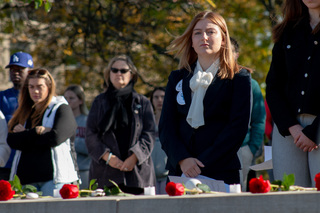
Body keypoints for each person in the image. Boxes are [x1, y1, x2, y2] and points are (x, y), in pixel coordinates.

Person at [159, 11, 251, 185]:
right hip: (180, 170)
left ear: (223, 39)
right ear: (192, 41)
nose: (204, 37)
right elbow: (166, 126)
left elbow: (237, 128)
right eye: (198, 33)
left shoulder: (239, 78)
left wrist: (200, 164)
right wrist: (183, 159)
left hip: (220, 170)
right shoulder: (177, 78)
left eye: (211, 32)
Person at [266, 0, 320, 187]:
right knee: (289, 198)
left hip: (318, 126)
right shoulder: (286, 31)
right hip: (288, 131)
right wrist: (292, 127)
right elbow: (273, 85)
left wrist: (313, 131)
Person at [86, 55, 156, 195]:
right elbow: (91, 134)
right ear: (109, 74)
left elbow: (150, 133)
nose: (119, 73)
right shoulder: (99, 102)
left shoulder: (142, 102)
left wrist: (134, 157)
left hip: (137, 174)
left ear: (132, 74)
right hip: (105, 174)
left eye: (123, 70)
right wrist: (108, 157)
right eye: (115, 70)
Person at [7, 68, 79, 196]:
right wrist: (36, 131)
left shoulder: (61, 108)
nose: (35, 91)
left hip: (54, 180)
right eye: (31, 87)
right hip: (26, 181)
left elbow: (55, 138)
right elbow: (12, 140)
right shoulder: (24, 111)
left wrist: (25, 135)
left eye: (40, 87)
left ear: (49, 87)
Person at [230, 37, 266, 191]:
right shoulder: (207, 81)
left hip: (242, 149)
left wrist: (251, 149)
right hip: (212, 149)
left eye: (229, 51)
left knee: (239, 196)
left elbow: (259, 120)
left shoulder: (251, 84)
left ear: (236, 54)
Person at [0, 51, 33, 180]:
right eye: (12, 69)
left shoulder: (36, 97)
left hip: (29, 162)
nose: (15, 72)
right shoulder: (2, 97)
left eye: (20, 69)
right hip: (6, 164)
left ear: (29, 71)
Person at [64, 85, 90, 189]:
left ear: (80, 101)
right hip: (64, 172)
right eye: (65, 98)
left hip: (83, 170)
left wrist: (70, 142)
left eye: (71, 98)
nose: (67, 101)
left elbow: (90, 148)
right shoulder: (61, 122)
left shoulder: (87, 121)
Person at [150, 87, 168, 194]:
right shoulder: (147, 121)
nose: (159, 100)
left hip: (167, 175)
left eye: (162, 97)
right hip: (150, 176)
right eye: (156, 97)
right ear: (152, 100)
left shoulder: (172, 120)